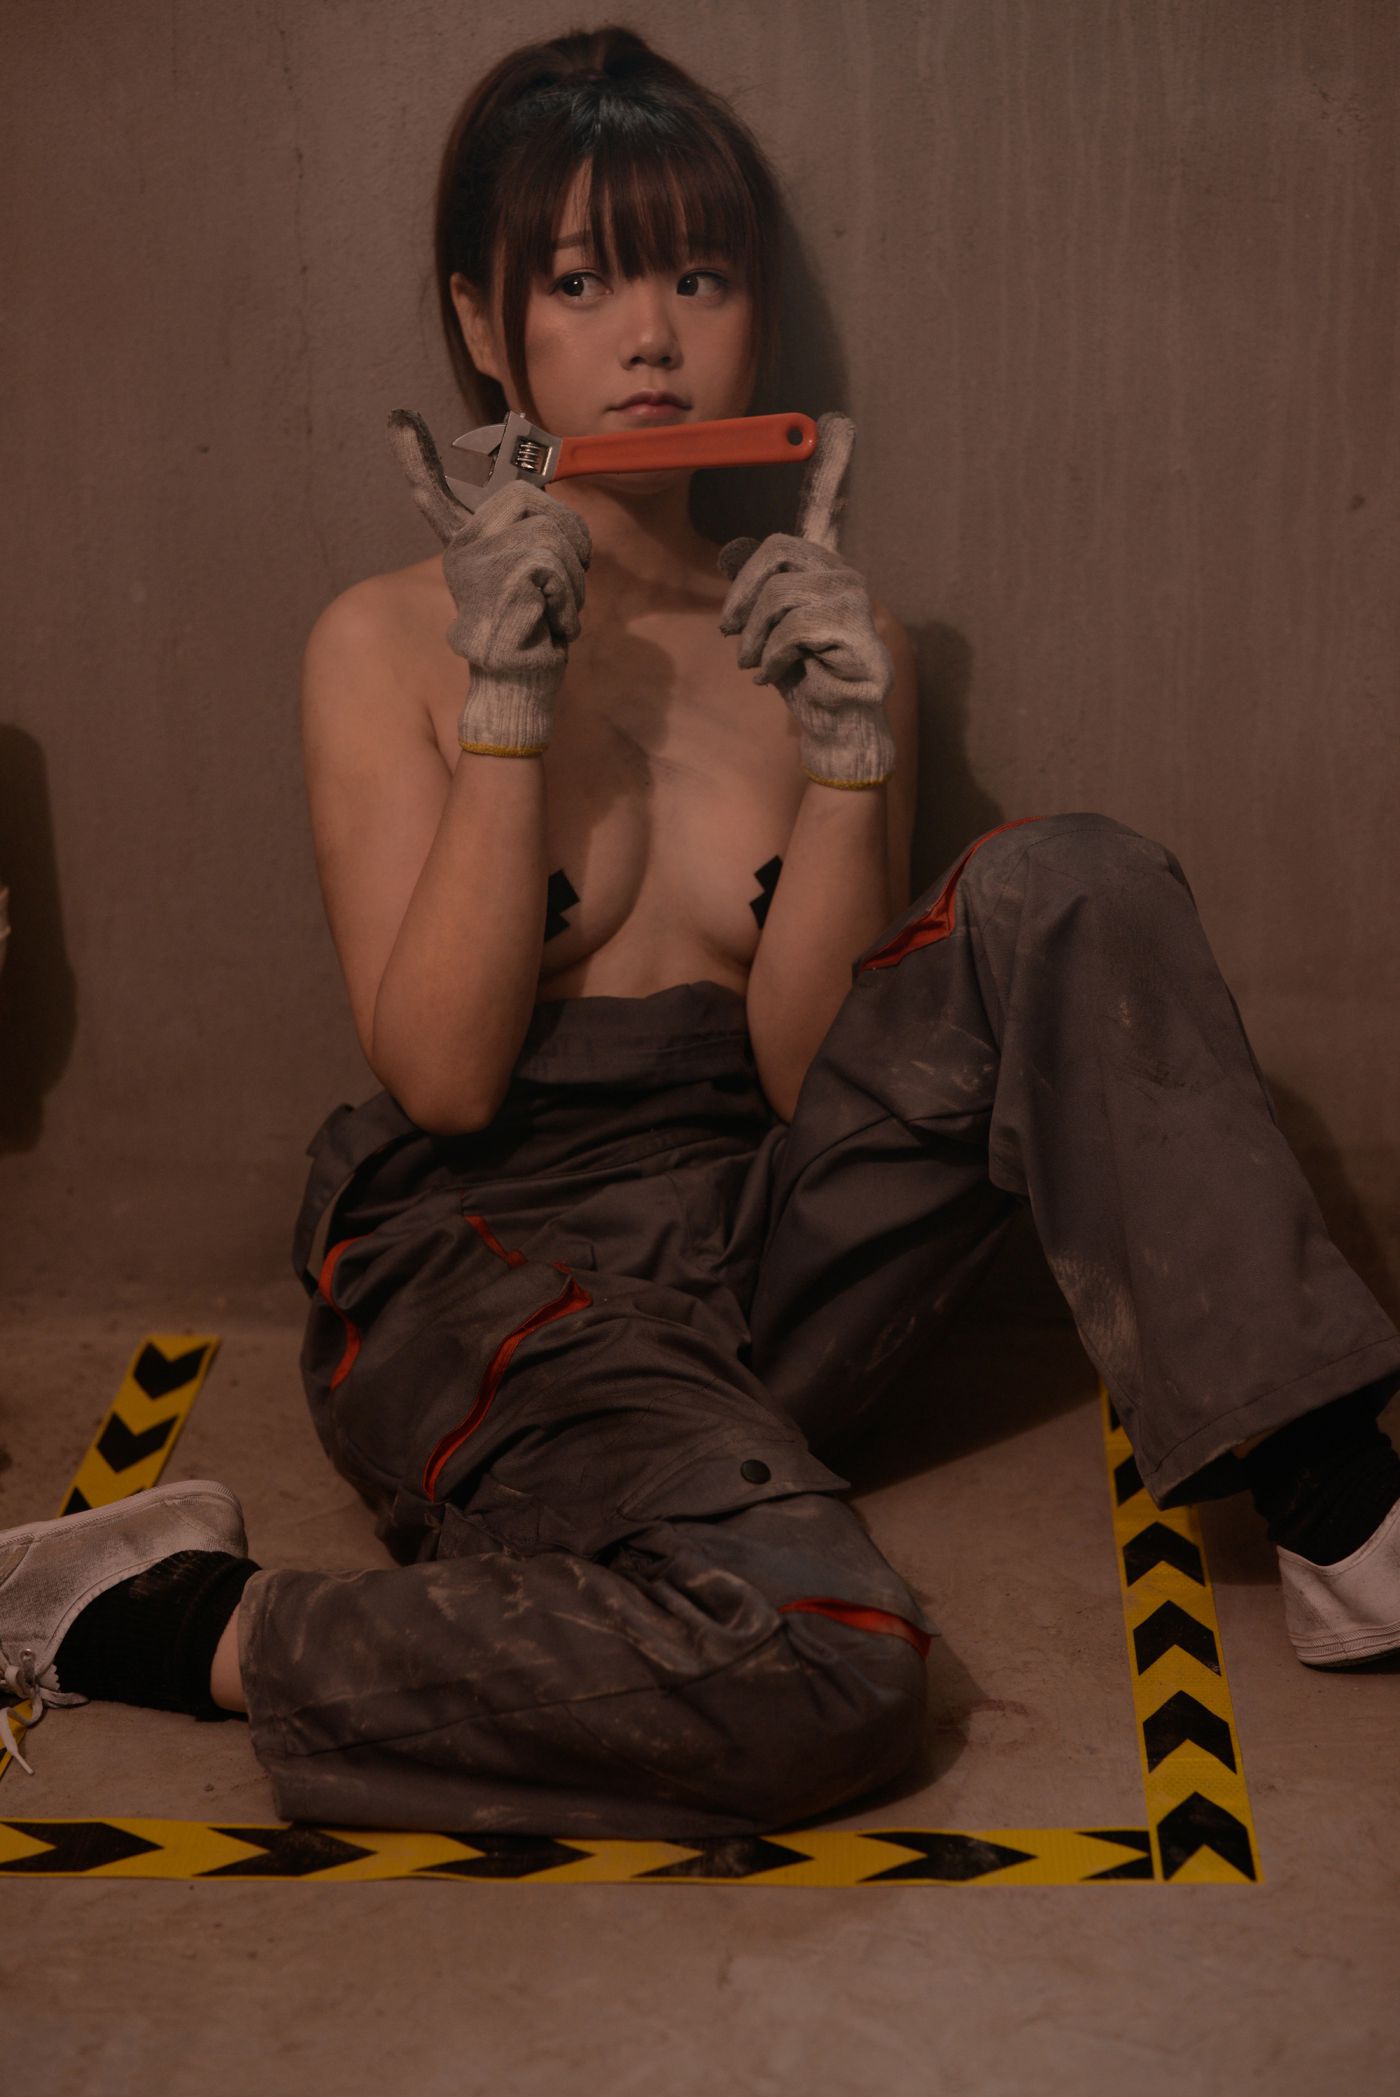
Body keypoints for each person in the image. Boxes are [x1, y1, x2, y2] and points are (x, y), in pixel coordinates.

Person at [3, 25, 1398, 1831]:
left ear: (754, 313)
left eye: (700, 276)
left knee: (1074, 876)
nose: (651, 335)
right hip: (490, 1257)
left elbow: (814, 1077)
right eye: (583, 281)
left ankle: (1344, 1506)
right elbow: (440, 1077)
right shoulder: (381, 640)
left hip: (751, 1236)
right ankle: (168, 1611)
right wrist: (508, 699)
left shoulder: (817, 630)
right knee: (819, 1663)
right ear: (487, 322)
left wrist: (848, 750)